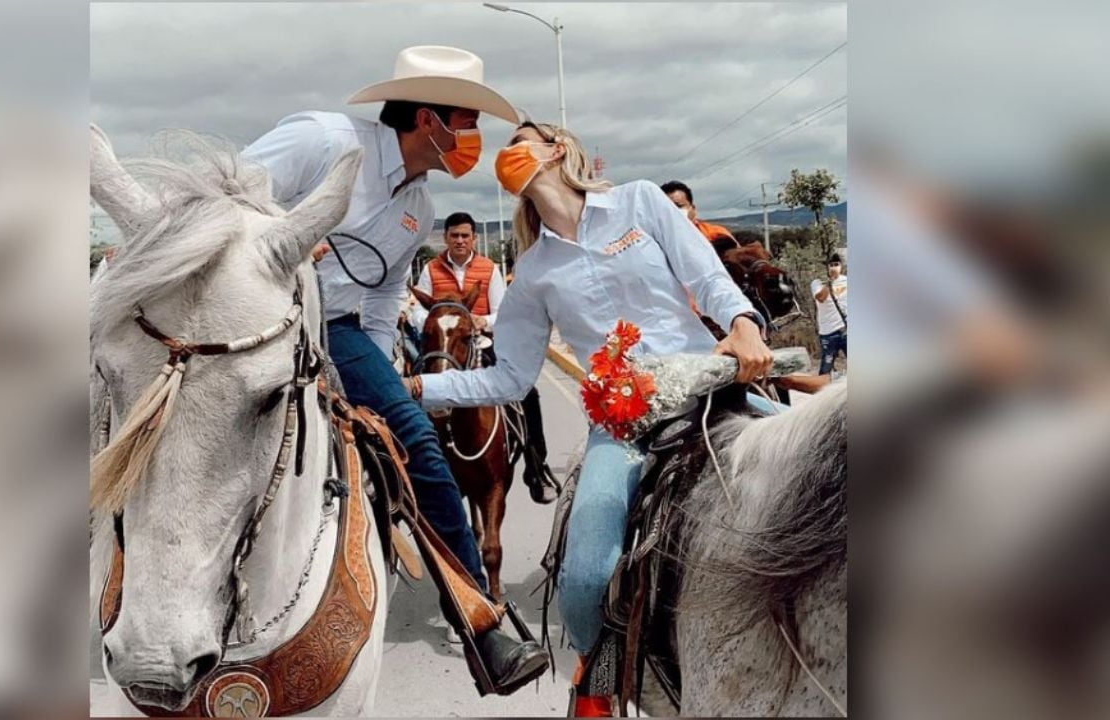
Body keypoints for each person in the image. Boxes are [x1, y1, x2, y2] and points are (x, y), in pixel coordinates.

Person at [405, 121, 772, 715]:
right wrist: (416, 386)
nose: (509, 150)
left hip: (709, 389)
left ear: (558, 149)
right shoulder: (533, 275)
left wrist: (743, 324)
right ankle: (596, 682)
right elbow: (508, 379)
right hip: (623, 428)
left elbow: (706, 276)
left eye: (522, 137)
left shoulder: (640, 201)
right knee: (583, 580)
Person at [240, 45, 547, 696]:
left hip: (341, 334)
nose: (472, 141)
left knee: (421, 452)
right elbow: (228, 200)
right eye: (467, 123)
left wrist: (384, 385)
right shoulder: (322, 140)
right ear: (429, 120)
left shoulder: (423, 210)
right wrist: (281, 234)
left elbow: (380, 303)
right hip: (252, 313)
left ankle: (478, 620)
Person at [413, 211, 559, 504]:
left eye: (465, 236)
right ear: (446, 238)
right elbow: (417, 309)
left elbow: (503, 309)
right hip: (442, 347)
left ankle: (536, 467)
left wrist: (482, 322)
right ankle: (404, 470)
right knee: (407, 393)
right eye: (454, 235)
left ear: (474, 239)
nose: (459, 241)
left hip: (481, 346)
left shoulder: (489, 268)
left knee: (527, 394)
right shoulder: (430, 269)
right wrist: (434, 323)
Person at [661, 180, 737, 245]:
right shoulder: (657, 240)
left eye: (679, 206)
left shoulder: (716, 234)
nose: (674, 211)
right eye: (668, 208)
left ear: (693, 208)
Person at [812, 252, 848, 375]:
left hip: (845, 330)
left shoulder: (846, 281)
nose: (834, 267)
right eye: (831, 265)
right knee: (826, 367)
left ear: (841, 266)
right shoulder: (817, 283)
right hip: (828, 333)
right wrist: (830, 281)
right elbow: (820, 298)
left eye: (836, 264)